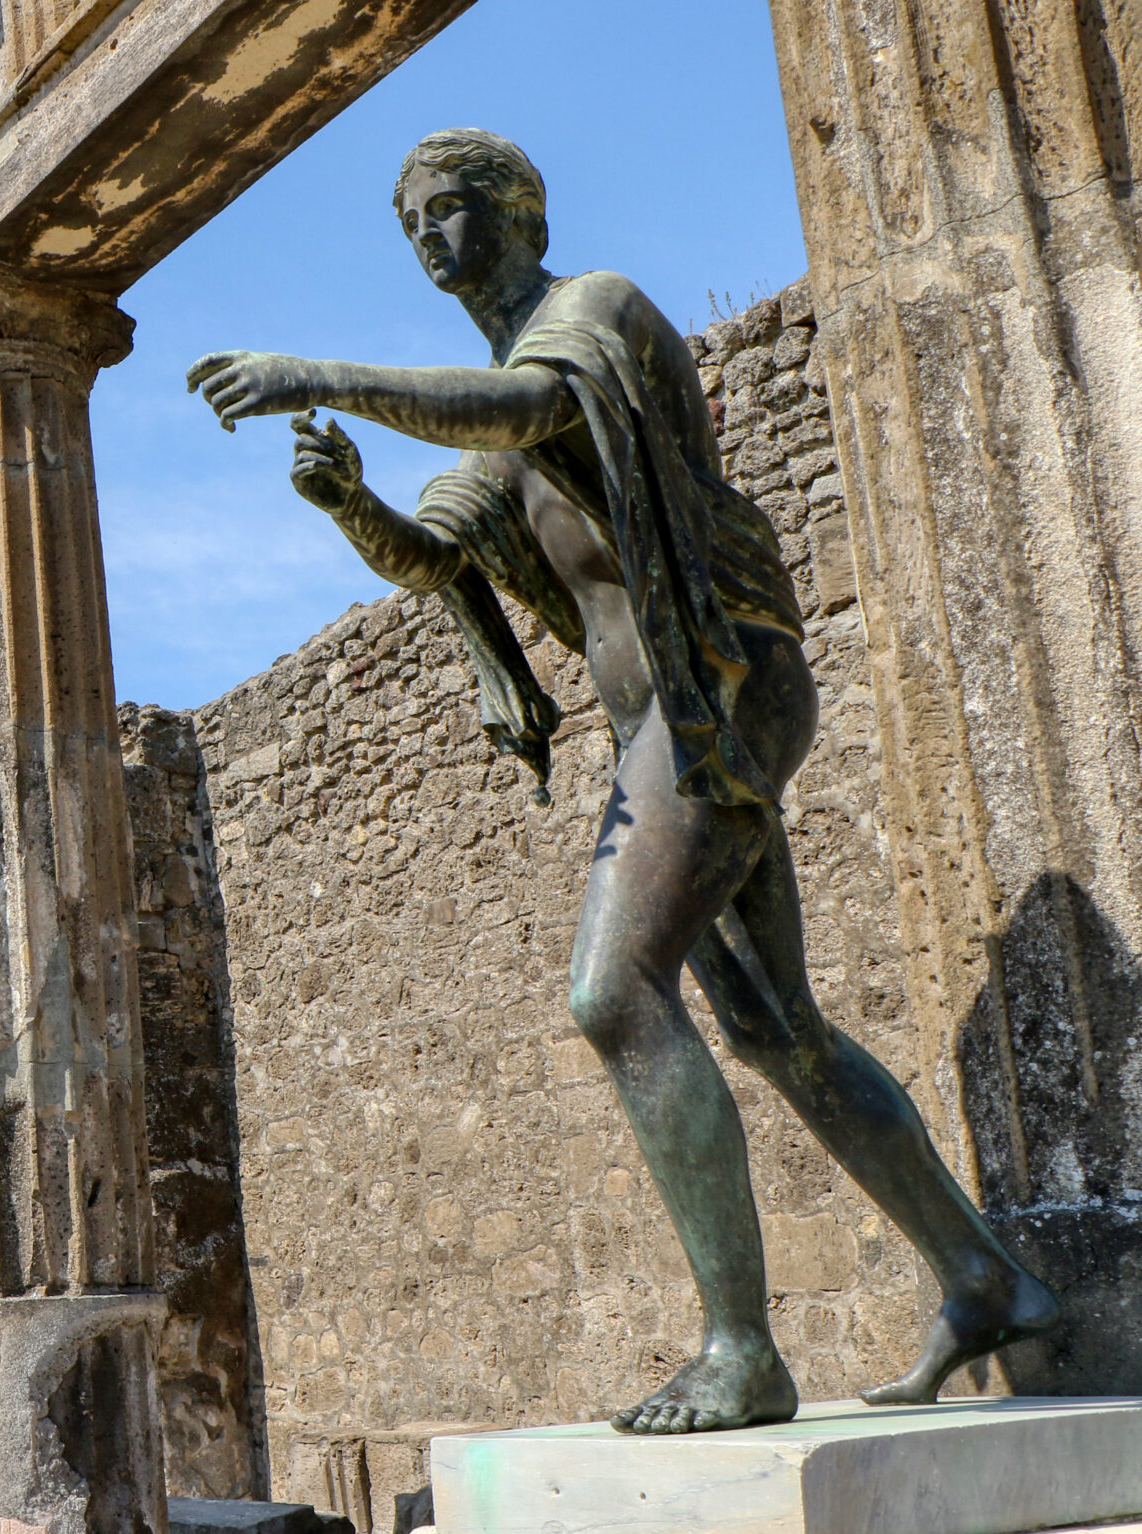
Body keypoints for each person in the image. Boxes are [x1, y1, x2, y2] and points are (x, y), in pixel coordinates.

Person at [185, 129, 1059, 1434]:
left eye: (456, 208)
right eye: (411, 220)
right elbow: (433, 555)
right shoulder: (507, 427)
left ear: (525, 215)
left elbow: (526, 410)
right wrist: (348, 504)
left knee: (613, 993)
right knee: (778, 1034)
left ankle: (742, 1351)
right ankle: (986, 1279)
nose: (431, 235)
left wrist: (320, 373)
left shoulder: (592, 320)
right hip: (683, 722)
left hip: (722, 692)